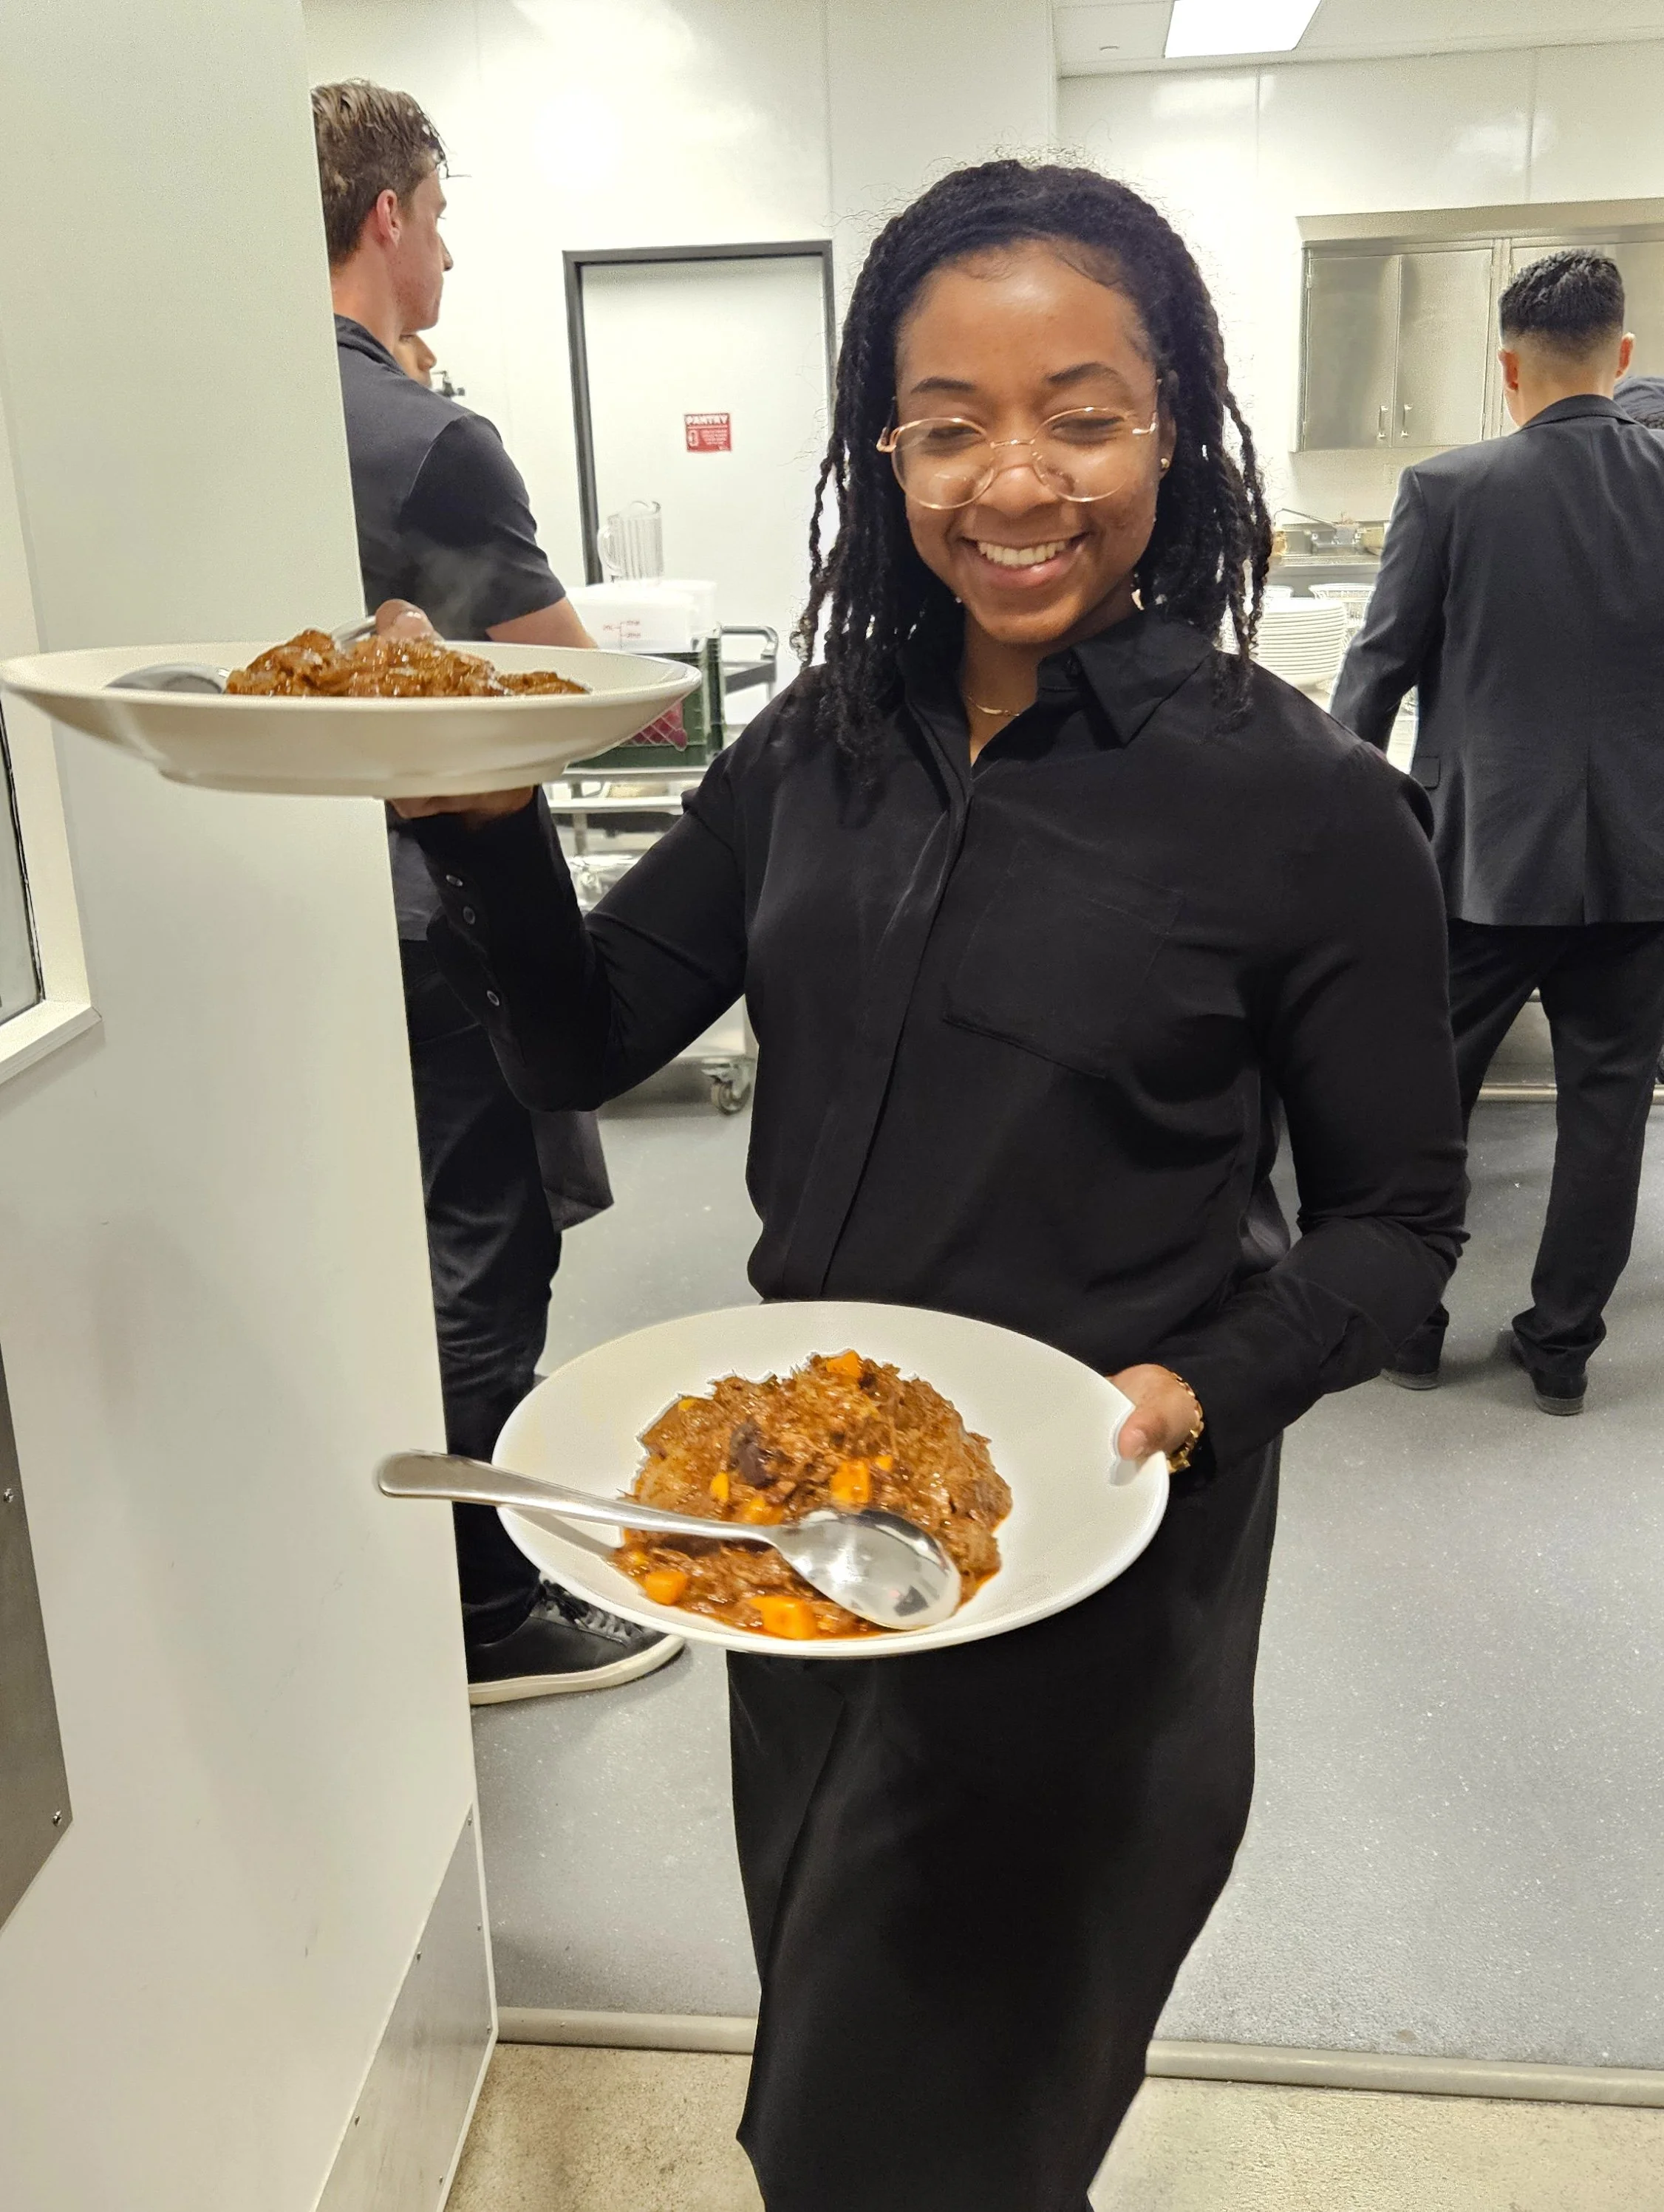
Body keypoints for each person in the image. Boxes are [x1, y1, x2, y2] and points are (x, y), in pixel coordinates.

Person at [390, 160, 1464, 2210]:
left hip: (1090, 1558)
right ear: (882, 452)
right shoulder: (821, 747)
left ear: (1173, 426)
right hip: (802, 1524)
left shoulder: (1307, 808)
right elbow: (577, 1040)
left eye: (1081, 415)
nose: (1012, 482)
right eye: (946, 425)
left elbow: (1397, 1225)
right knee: (826, 2005)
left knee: (923, 2112)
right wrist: (487, 821)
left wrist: (1197, 1392)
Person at [310, 79, 680, 1699]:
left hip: (275, 932)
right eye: (443, 219)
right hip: (429, 922)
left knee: (354, 1250)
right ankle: (483, 1613)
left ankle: (382, 1587)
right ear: (387, 215)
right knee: (479, 1249)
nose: (449, 254)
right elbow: (581, 694)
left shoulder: (232, 426)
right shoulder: (427, 438)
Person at [1334, 248, 1664, 1416]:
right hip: (1643, 870)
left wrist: (1338, 832)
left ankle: (1414, 1327)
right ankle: (1562, 1346)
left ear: (1508, 368)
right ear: (1623, 355)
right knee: (1608, 1116)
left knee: (1426, 1110)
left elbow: (1375, 676)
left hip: (1479, 865)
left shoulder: (1448, 488)